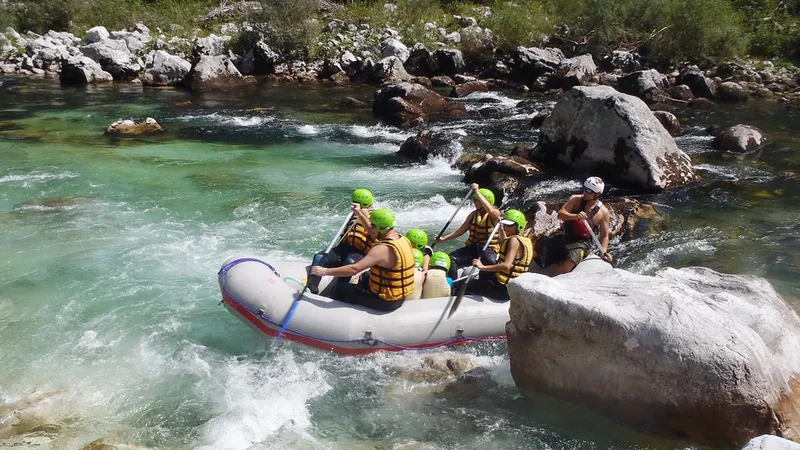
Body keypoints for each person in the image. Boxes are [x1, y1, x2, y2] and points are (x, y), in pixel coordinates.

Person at [310, 208, 416, 312]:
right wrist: (360, 213)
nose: (370, 228)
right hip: (399, 296)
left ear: (382, 228)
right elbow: (372, 231)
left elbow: (354, 269)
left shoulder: (381, 249)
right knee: (365, 276)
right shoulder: (402, 239)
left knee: (342, 289)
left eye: (373, 225)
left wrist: (325, 271)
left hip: (384, 301)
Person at [307, 188, 374, 294]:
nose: (353, 205)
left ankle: (339, 292)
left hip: (360, 252)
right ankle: (311, 287)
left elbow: (374, 233)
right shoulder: (352, 214)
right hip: (344, 248)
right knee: (319, 257)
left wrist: (363, 215)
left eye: (356, 202)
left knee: (349, 262)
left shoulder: (374, 216)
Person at [551, 176, 613, 275]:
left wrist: (603, 251)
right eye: (584, 188)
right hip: (565, 235)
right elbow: (561, 214)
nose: (585, 192)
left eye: (589, 191)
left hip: (582, 243)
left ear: (597, 194)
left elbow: (604, 235)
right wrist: (575, 216)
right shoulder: (575, 199)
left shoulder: (604, 212)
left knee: (569, 263)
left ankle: (551, 280)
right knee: (539, 249)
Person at [434, 183, 502, 272]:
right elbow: (460, 231)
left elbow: (491, 211)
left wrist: (477, 191)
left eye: (476, 200)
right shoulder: (473, 215)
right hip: (471, 249)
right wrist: (443, 239)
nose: (474, 202)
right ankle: (453, 284)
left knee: (490, 261)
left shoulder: (494, 214)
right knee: (451, 258)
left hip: (487, 249)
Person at [468, 209, 534, 300]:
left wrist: (482, 267)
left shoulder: (514, 240)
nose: (506, 227)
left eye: (509, 225)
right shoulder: (525, 240)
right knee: (485, 277)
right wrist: (501, 230)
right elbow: (505, 244)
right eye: (505, 225)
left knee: (468, 285)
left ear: (519, 226)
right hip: (511, 286)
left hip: (504, 289)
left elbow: (506, 266)